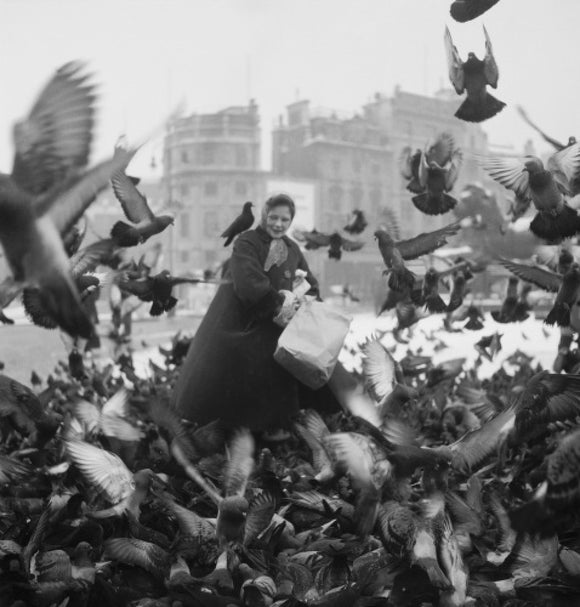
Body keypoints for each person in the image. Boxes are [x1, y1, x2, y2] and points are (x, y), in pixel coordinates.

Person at [172, 193, 342, 437]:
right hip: (243, 321)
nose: (278, 224)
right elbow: (248, 280)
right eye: (273, 217)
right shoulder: (247, 242)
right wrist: (277, 304)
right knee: (238, 379)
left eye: (285, 220)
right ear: (264, 215)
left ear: (291, 221)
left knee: (285, 368)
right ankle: (235, 430)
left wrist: (306, 298)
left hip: (279, 324)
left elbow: (311, 283)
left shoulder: (293, 248)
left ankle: (274, 428)